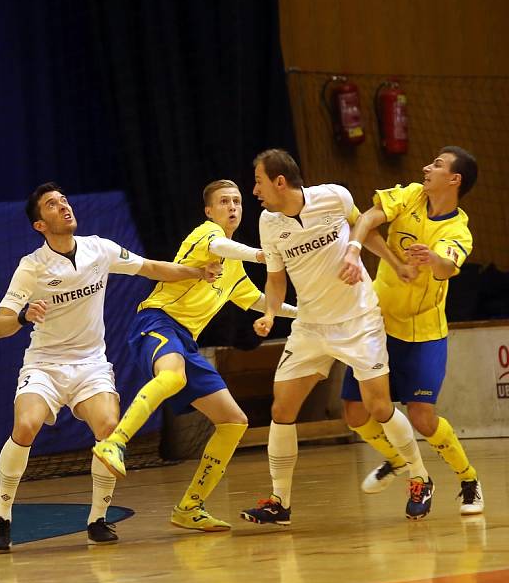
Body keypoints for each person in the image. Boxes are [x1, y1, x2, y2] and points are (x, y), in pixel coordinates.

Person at [0, 182, 220, 552]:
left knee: (109, 428)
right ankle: (2, 516)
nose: (63, 207)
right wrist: (21, 314)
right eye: (52, 205)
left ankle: (97, 519)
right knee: (26, 425)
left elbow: (153, 268)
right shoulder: (31, 268)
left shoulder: (100, 249)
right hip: (45, 365)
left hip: (91, 364)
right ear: (40, 225)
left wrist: (197, 272)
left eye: (64, 200)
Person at [240, 148, 433, 526]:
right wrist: (268, 314)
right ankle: (280, 502)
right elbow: (276, 279)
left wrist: (394, 264)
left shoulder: (333, 195)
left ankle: (420, 477)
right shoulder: (268, 222)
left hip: (358, 320)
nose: (255, 189)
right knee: (281, 410)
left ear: (280, 181)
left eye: (259, 181)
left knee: (378, 408)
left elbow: (368, 232)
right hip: (311, 326)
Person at [93, 179, 297, 531]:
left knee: (234, 421)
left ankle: (189, 507)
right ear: (209, 210)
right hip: (156, 321)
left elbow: (262, 302)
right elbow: (221, 245)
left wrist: (307, 312)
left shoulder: (233, 268)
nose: (232, 207)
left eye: (237, 201)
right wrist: (262, 255)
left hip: (185, 340)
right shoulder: (206, 235)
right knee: (172, 377)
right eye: (223, 202)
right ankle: (115, 443)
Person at [340, 146, 483, 515]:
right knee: (356, 414)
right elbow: (369, 216)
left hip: (423, 334)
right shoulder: (410, 194)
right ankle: (402, 462)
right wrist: (355, 247)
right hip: (375, 325)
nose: (426, 166)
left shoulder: (456, 228)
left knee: (422, 416)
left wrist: (431, 258)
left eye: (436, 164)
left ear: (454, 179)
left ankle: (468, 480)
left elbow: (447, 268)